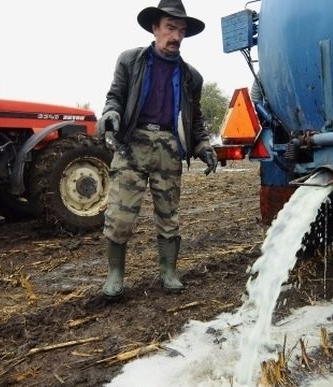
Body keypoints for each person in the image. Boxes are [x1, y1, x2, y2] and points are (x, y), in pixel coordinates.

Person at [97, 0, 218, 298]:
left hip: (168, 147)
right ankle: (115, 275)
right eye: (169, 28)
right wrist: (111, 114)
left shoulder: (192, 77)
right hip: (132, 144)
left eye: (181, 30)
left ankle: (168, 272)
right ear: (155, 28)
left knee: (169, 216)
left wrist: (202, 144)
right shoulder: (130, 61)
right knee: (120, 215)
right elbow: (115, 97)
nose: (176, 36)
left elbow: (196, 118)